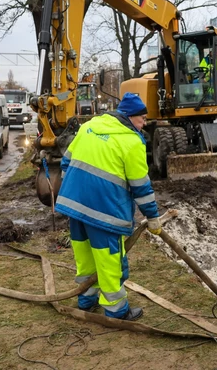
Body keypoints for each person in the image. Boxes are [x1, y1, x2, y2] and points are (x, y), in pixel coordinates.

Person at [54, 93, 162, 321]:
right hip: (105, 212)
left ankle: (86, 300)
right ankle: (117, 310)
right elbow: (141, 186)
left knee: (85, 258)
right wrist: (152, 217)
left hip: (75, 206)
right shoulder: (132, 142)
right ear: (129, 117)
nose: (144, 125)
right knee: (110, 261)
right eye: (142, 119)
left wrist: (77, 188)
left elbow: (66, 162)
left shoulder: (89, 127)